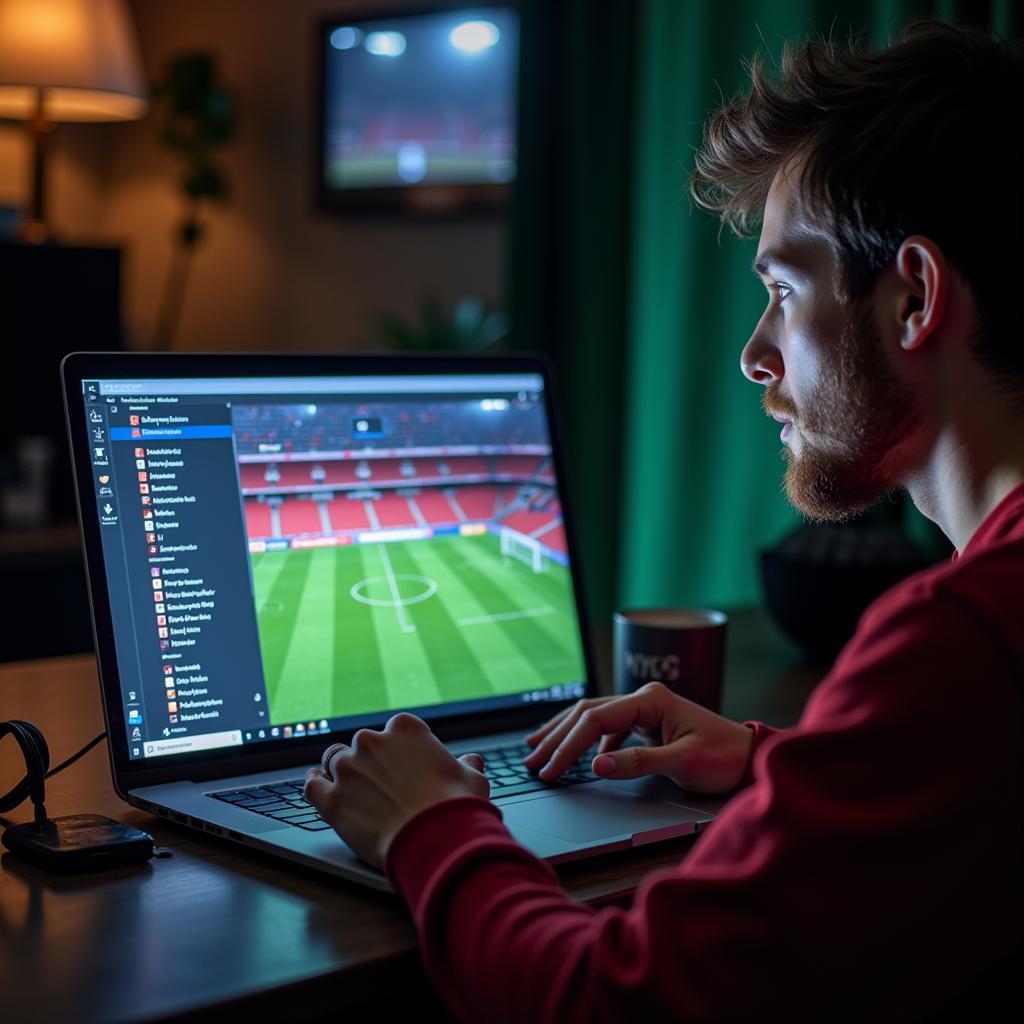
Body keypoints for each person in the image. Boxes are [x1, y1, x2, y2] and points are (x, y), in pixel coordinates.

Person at [304, 19, 1022, 1022]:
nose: (753, 354)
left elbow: (607, 1000)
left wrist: (431, 823)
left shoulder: (965, 636)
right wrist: (774, 763)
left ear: (912, 300)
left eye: (780, 289)